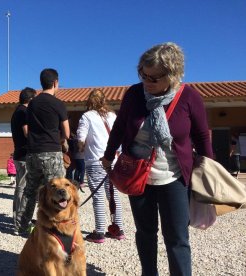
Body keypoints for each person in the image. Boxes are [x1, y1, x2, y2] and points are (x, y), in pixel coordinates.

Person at [101, 42, 213, 276]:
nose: (147, 82)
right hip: (138, 176)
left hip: (174, 178)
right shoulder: (134, 94)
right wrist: (109, 155)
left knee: (177, 238)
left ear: (173, 75)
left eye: (154, 78)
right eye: (143, 75)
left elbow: (202, 135)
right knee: (145, 232)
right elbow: (121, 126)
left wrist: (210, 169)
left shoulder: (189, 97)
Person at [15, 68, 70, 235]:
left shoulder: (32, 104)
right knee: (58, 191)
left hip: (32, 153)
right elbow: (66, 133)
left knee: (30, 191)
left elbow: (29, 128)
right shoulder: (58, 104)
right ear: (55, 82)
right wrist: (60, 140)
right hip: (51, 152)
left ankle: (21, 226)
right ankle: (56, 226)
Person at [77, 89, 125, 243]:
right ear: (105, 101)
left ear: (90, 101)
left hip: (95, 161)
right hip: (113, 161)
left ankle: (99, 232)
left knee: (98, 196)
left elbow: (80, 138)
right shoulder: (113, 116)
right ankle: (118, 229)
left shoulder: (87, 116)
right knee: (114, 195)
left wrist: (81, 148)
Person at [10, 87, 36, 230]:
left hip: (19, 154)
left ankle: (17, 218)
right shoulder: (24, 112)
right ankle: (19, 221)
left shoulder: (17, 111)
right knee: (23, 188)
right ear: (30, 99)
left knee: (20, 188)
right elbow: (27, 133)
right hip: (24, 155)